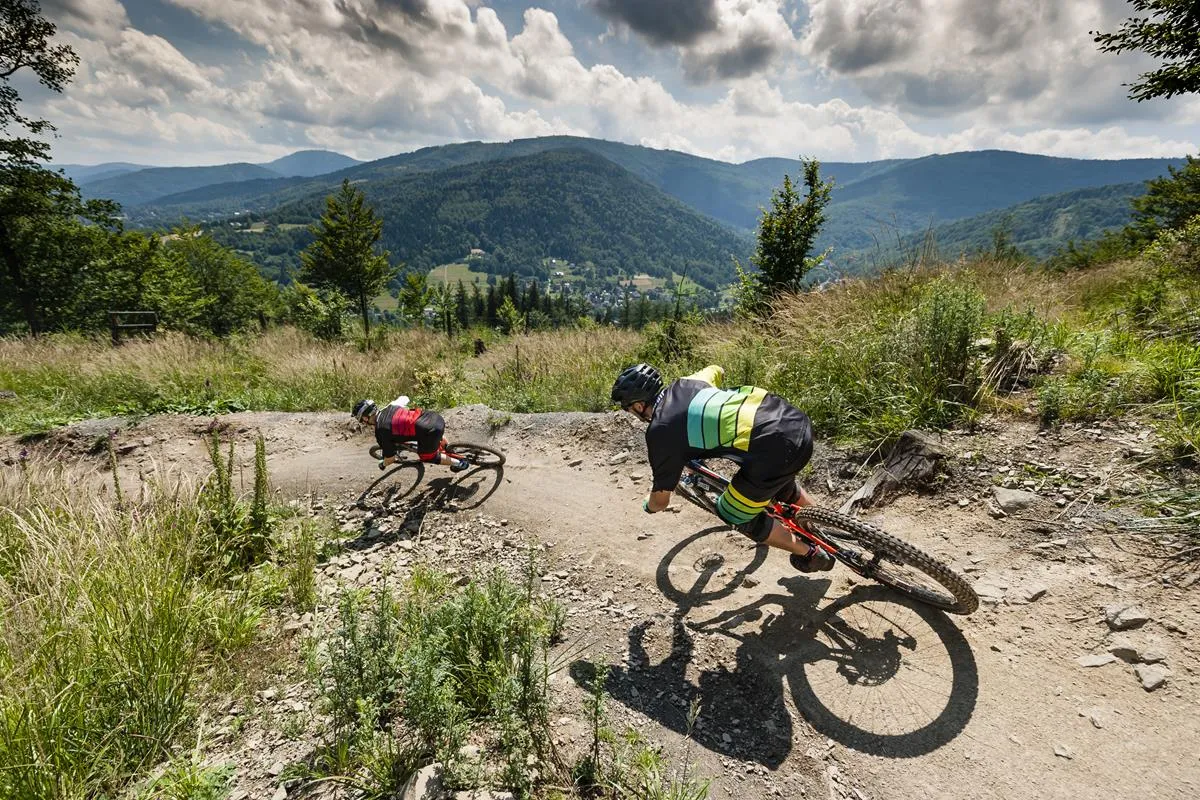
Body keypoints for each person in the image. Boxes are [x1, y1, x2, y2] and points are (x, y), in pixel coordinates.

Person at [612, 363, 834, 573]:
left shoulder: (660, 431)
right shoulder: (689, 381)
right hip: (793, 421)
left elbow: (660, 502)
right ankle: (828, 529)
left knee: (733, 513)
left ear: (639, 406)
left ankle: (810, 553)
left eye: (629, 409)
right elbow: (718, 369)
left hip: (773, 450)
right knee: (781, 485)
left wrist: (648, 507)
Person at [352, 396, 470, 472]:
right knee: (424, 427)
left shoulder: (381, 431)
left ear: (366, 418)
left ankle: (460, 463)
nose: (363, 422)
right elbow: (405, 398)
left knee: (427, 456)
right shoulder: (391, 406)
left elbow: (391, 458)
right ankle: (446, 446)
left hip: (430, 431)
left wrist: (383, 464)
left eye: (361, 419)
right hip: (434, 417)